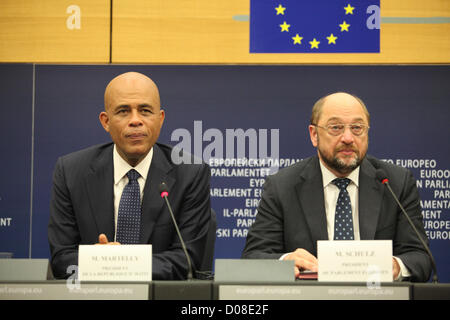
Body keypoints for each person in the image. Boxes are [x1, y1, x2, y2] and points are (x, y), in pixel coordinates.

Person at [242, 92, 432, 282]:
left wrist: (395, 266)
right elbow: (253, 257)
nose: (348, 137)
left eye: (357, 128)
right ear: (314, 134)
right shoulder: (282, 186)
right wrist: (285, 261)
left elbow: (421, 259)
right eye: (336, 128)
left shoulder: (396, 182)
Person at [48, 72, 211, 280]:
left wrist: (117, 263)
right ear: (105, 121)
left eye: (145, 111)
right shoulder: (71, 171)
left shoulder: (190, 173)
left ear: (160, 119)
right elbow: (61, 258)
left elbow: (187, 260)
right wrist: (98, 261)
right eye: (124, 111)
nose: (136, 121)